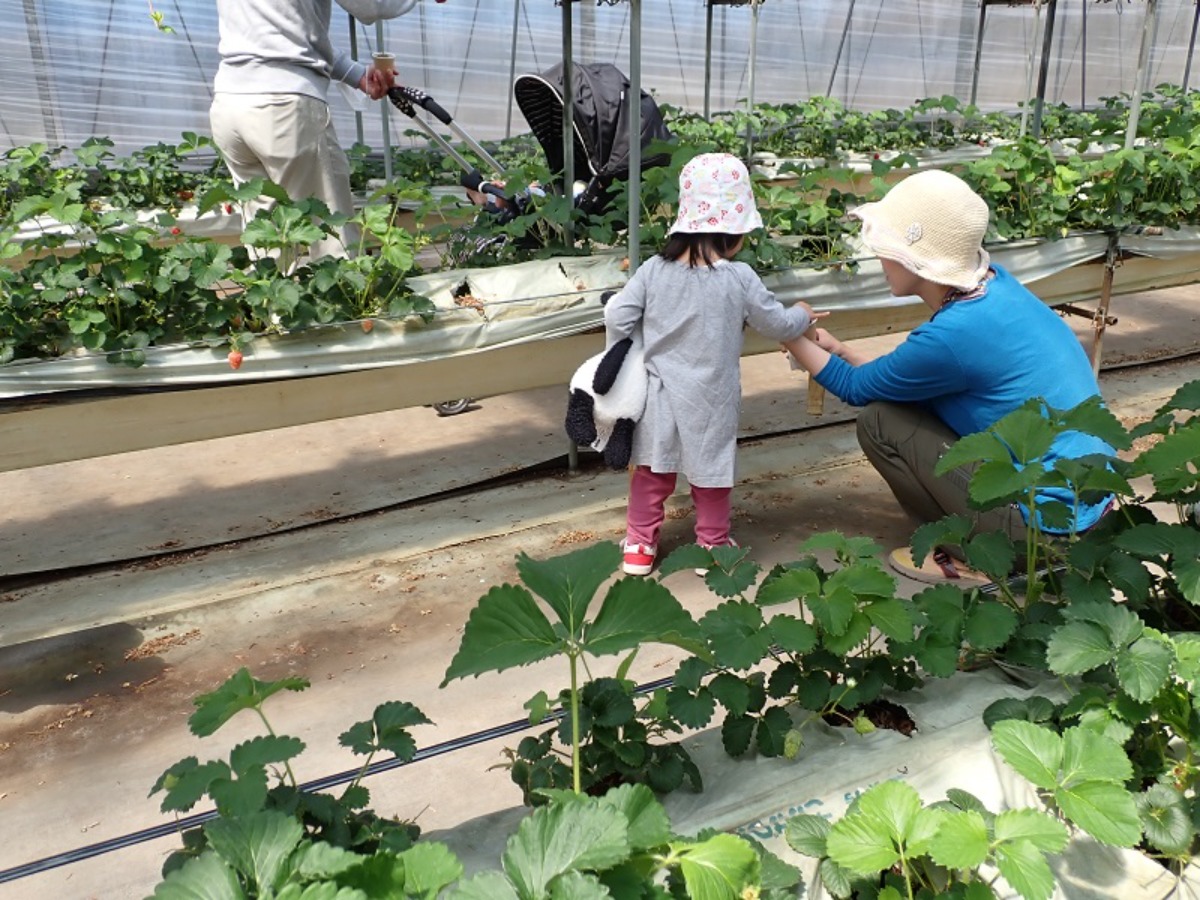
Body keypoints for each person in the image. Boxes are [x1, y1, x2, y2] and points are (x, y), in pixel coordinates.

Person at [781, 168, 1114, 583]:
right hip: (1089, 509)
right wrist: (839, 350)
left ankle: (975, 555)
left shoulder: (954, 335)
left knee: (880, 422)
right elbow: (897, 378)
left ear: (915, 257)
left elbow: (856, 388)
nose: (879, 258)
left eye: (886, 247)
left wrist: (786, 330)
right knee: (902, 405)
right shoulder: (995, 288)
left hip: (1044, 533)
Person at [604, 152, 822, 576]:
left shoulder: (652, 271)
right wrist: (803, 313)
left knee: (651, 470)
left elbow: (617, 317)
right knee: (711, 473)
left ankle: (639, 547)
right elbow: (776, 324)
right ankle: (712, 546)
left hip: (658, 393)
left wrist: (629, 345)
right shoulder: (738, 278)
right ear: (733, 232)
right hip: (711, 397)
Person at [209, 0, 418, 262]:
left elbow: (286, 32)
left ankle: (271, 287)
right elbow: (371, 6)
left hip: (230, 102)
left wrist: (355, 74)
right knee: (332, 234)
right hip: (284, 105)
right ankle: (344, 289)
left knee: (267, 236)